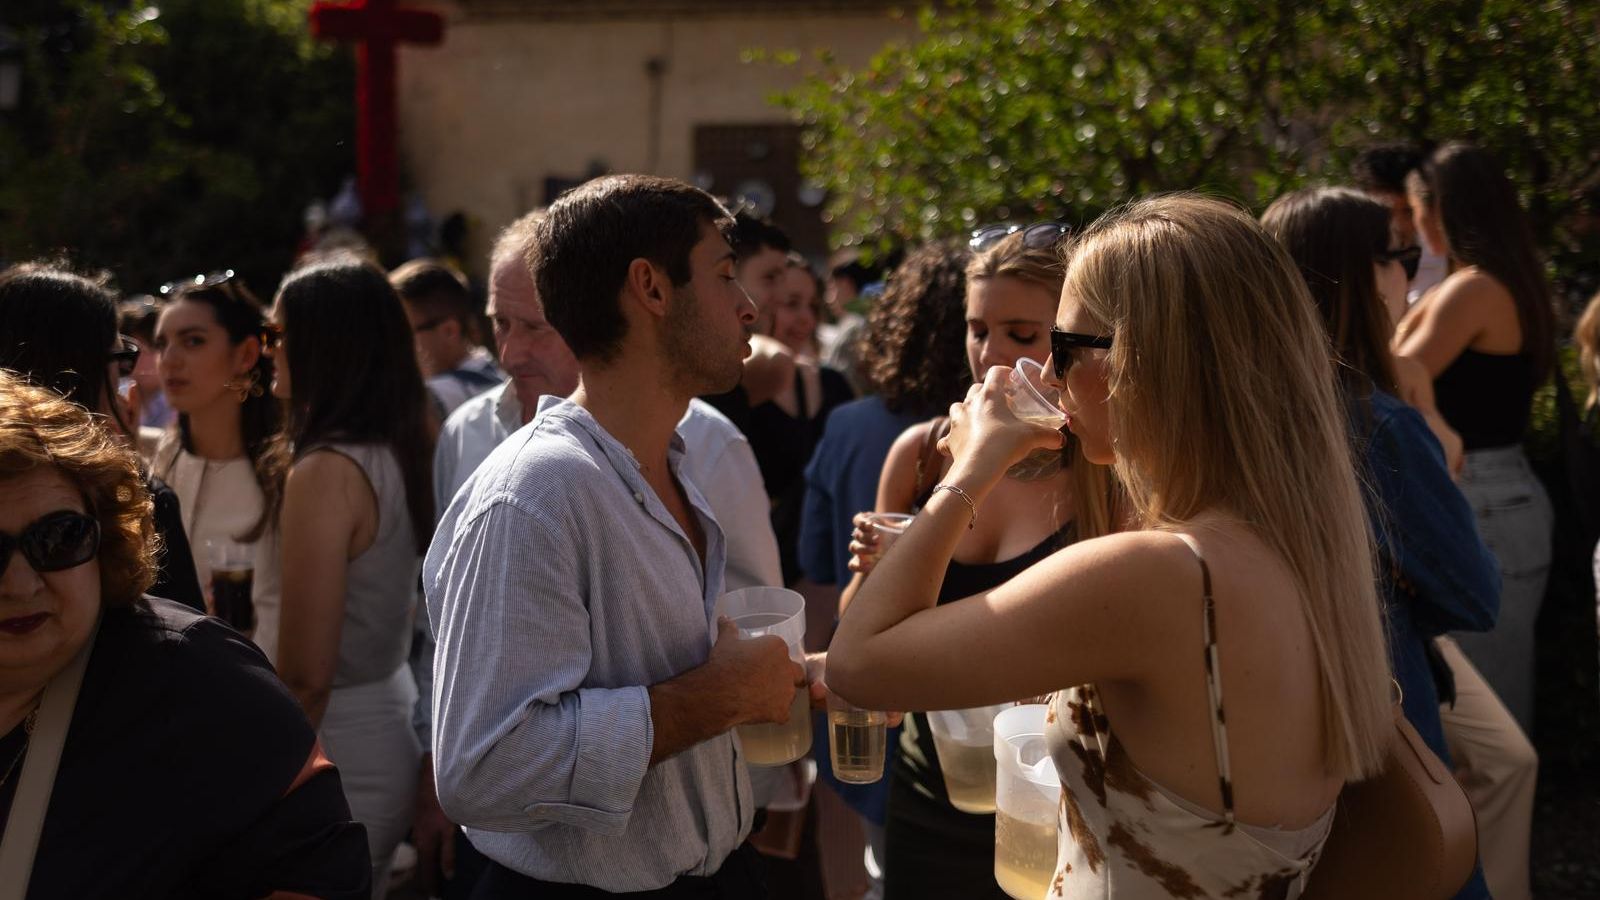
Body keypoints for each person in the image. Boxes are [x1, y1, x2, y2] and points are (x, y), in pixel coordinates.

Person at [829, 195, 1394, 898]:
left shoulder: (1156, 573)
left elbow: (858, 666)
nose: (1046, 376)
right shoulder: (1299, 541)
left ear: (1145, 361)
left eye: (1061, 347)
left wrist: (972, 465)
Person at [426, 174, 807, 896]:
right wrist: (713, 698)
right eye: (725, 274)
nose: (749, 304)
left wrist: (779, 678)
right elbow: (482, 766)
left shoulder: (667, 461)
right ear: (651, 289)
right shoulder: (533, 495)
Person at [0, 369, 370, 898]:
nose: (21, 582)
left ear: (103, 536)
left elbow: (319, 870)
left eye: (58, 538)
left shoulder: (199, 684)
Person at [841, 225, 1100, 900]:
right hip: (930, 779)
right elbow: (858, 644)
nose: (991, 354)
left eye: (1021, 333)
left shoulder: (1102, 469)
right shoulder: (923, 452)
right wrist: (881, 568)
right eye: (977, 329)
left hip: (1050, 787)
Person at [1262, 186, 1505, 900]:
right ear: (1364, 277)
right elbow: (1477, 593)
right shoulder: (1381, 426)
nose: (1409, 273)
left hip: (1276, 741)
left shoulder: (1251, 420)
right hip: (1377, 722)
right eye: (1398, 257)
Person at [796, 241, 973, 895]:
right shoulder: (926, 450)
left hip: (866, 716)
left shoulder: (847, 427)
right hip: (966, 725)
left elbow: (817, 572)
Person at [266, 255, 437, 896]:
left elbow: (308, 675)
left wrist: (265, 782)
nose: (268, 350)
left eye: (280, 335)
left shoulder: (327, 471)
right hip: (383, 725)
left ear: (326, 344)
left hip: (335, 745)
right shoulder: (406, 437)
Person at [1396, 141, 1557, 736]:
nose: (1414, 230)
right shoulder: (1508, 281)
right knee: (1494, 711)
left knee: (1483, 723)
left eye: (1415, 214)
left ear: (1439, 209)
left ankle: (1492, 833)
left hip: (1483, 495)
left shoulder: (1474, 291)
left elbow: (1392, 374)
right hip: (1503, 494)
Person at [0, 263, 204, 614]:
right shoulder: (123, 498)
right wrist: (128, 474)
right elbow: (181, 644)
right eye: (120, 360)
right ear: (84, 374)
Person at [149, 275, 283, 648]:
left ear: (246, 355)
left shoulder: (283, 475)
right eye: (161, 343)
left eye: (193, 341)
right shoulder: (166, 458)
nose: (169, 360)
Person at [390, 258, 507, 418]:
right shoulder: (493, 373)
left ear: (449, 331)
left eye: (403, 332)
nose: (394, 343)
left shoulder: (440, 393)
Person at [1350, 142, 1449, 303]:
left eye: (1409, 211)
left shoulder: (1451, 263)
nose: (1398, 226)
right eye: (1384, 212)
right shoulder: (1348, 267)